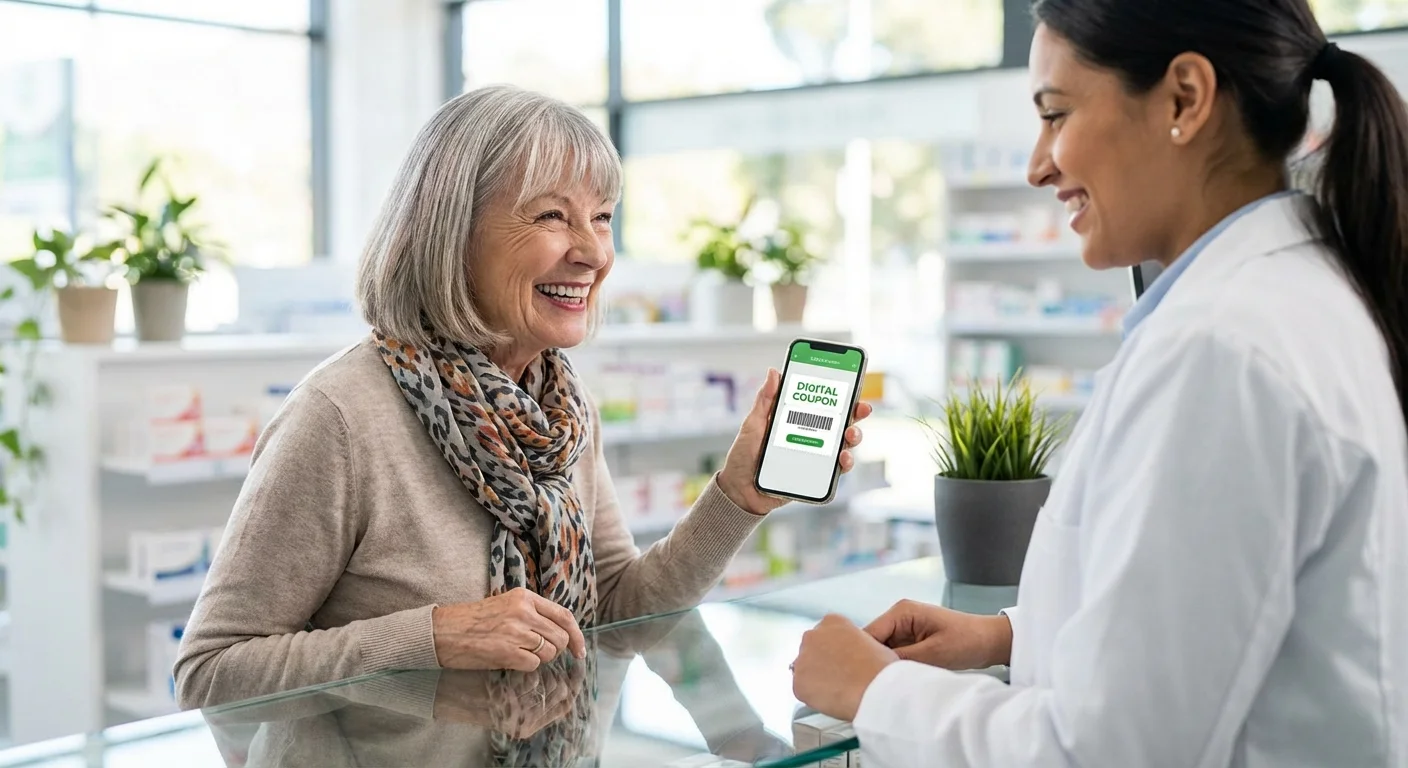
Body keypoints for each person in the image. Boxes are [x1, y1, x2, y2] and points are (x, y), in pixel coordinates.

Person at [790, 1, 1408, 765]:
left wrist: (872, 691)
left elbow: (1107, 751)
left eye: (1056, 114)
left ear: (1185, 98)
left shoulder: (1223, 348)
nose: (1037, 163)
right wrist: (1010, 632)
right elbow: (1217, 610)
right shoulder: (1285, 296)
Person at [174, 85, 871, 708]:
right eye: (550, 217)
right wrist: (434, 636)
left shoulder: (561, 410)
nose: (593, 253)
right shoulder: (342, 417)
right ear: (451, 232)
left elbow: (617, 618)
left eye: (601, 217)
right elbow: (211, 672)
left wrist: (736, 497)